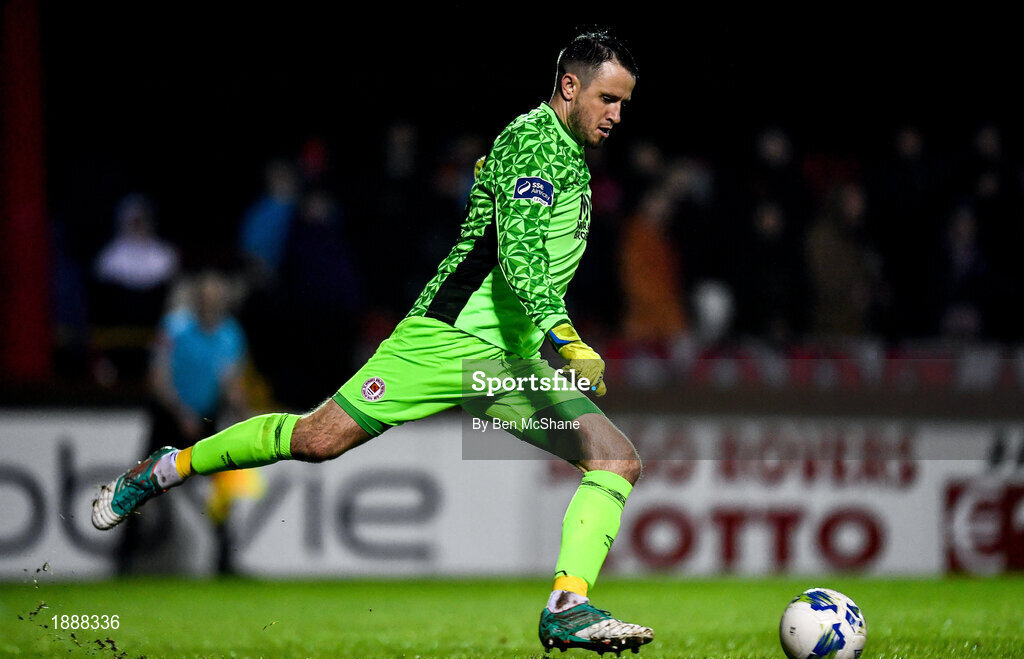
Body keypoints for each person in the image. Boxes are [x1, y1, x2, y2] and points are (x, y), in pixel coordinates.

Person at [93, 30, 652, 655]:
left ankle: (566, 607)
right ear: (570, 86)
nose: (616, 116)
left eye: (624, 103)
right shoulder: (534, 142)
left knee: (614, 458)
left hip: (504, 360)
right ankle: (166, 467)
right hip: (443, 342)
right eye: (607, 98)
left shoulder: (564, 156)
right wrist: (569, 342)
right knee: (315, 439)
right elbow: (521, 261)